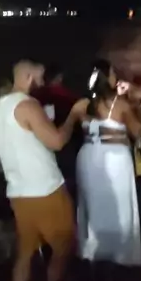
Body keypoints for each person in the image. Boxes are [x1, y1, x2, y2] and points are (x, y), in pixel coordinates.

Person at [0, 60, 75, 281]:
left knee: (25, 252)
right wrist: (73, 116)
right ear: (28, 78)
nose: (43, 84)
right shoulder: (27, 105)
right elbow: (57, 141)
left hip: (18, 190)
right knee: (63, 247)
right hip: (45, 188)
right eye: (39, 79)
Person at [71, 59, 141, 266]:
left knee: (92, 203)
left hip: (88, 156)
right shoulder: (120, 105)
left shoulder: (82, 105)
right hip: (114, 159)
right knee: (119, 204)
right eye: (113, 74)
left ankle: (92, 251)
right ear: (106, 78)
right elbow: (137, 132)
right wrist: (137, 107)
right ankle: (119, 253)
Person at [32, 63, 79, 204]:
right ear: (60, 77)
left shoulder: (34, 98)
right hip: (66, 145)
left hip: (40, 148)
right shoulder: (68, 97)